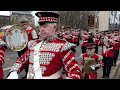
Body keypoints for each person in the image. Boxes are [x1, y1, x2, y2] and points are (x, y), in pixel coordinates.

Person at [7, 11, 82, 79]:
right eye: (40, 26)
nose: (41, 29)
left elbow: (75, 72)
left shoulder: (63, 46)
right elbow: (22, 60)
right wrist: (14, 71)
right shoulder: (34, 44)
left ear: (54, 28)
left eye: (45, 26)